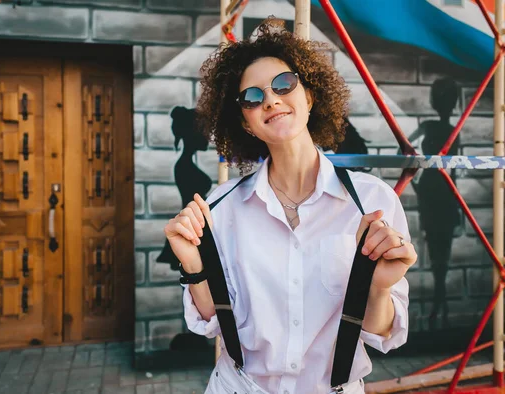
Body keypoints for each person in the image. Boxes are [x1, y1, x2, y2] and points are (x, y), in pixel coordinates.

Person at [163, 19, 417, 394]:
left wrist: (377, 289)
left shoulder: (373, 202)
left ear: (310, 96)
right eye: (252, 96)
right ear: (246, 123)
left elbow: (384, 335)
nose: (270, 99)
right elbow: (213, 323)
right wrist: (195, 267)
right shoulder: (220, 207)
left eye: (284, 84)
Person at [407, 78, 461, 330]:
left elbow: (404, 150)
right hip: (443, 191)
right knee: (442, 253)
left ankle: (440, 308)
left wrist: (416, 184)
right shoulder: (452, 130)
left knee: (438, 251)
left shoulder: (430, 127)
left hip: (433, 190)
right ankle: (441, 307)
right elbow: (456, 170)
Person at [156, 106, 212, 270]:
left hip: (194, 225)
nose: (208, 137)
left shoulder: (185, 165)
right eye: (204, 132)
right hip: (192, 227)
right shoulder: (184, 166)